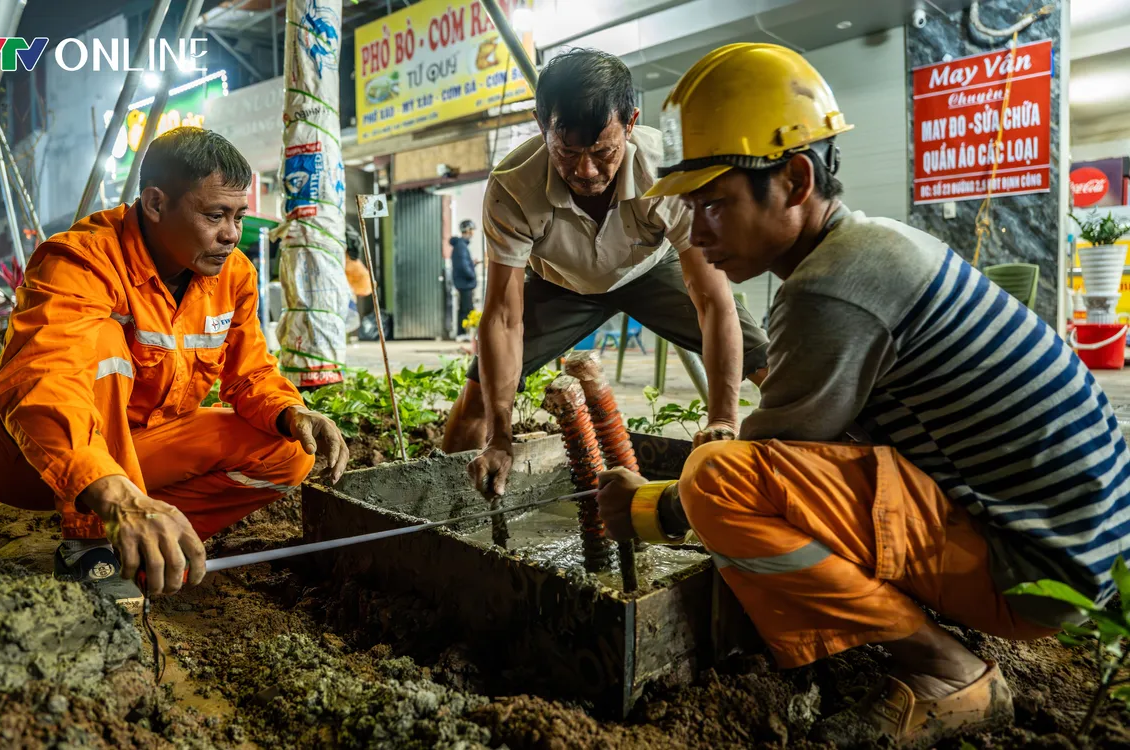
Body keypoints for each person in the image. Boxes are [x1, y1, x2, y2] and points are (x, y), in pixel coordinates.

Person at [596, 43, 1130, 747]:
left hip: (1036, 570)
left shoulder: (830, 288)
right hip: (1079, 546)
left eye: (716, 205)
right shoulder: (869, 248)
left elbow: (762, 471)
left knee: (717, 481)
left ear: (793, 179)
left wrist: (644, 506)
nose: (697, 233)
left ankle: (946, 670)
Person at [0, 127, 350, 602]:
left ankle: (149, 541)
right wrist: (117, 495)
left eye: (239, 216)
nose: (231, 234)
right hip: (30, 460)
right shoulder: (79, 260)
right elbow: (46, 383)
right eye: (215, 215)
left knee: (289, 449)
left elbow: (251, 374)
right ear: (156, 204)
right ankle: (91, 540)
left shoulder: (232, 274)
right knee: (103, 341)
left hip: (140, 453)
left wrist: (293, 411)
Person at [443, 49, 769, 496]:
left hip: (653, 270)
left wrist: (723, 419)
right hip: (560, 284)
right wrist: (501, 438)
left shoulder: (669, 170)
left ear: (631, 122)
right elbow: (502, 316)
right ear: (542, 125)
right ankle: (450, 509)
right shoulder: (512, 186)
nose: (586, 170)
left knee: (769, 366)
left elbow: (713, 300)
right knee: (474, 403)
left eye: (603, 151)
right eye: (568, 152)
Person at [450, 219, 478, 340]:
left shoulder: (460, 246)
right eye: (471, 230)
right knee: (467, 309)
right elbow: (462, 266)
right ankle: (464, 333)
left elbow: (464, 263)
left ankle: (462, 333)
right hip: (465, 283)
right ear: (466, 230)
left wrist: (472, 264)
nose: (473, 233)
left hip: (463, 283)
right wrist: (472, 274)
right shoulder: (461, 246)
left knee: (464, 308)